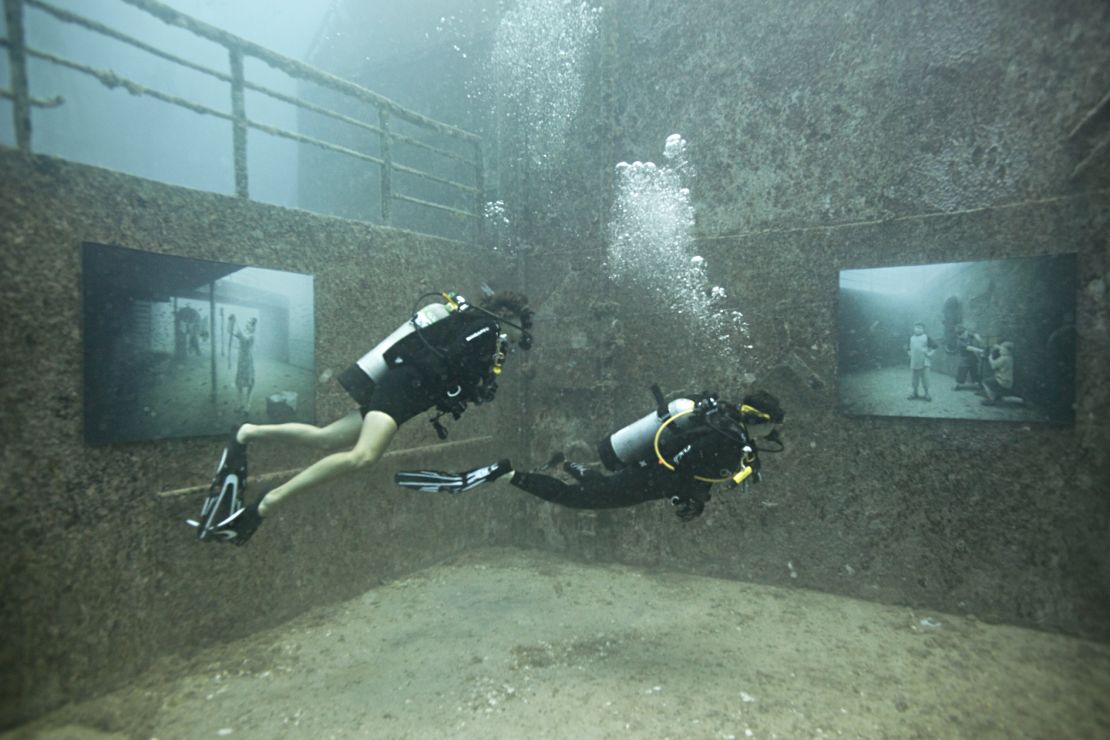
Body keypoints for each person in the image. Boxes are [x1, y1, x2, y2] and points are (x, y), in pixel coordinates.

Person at [191, 289, 533, 544]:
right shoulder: (487, 328)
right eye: (522, 327)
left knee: (324, 437)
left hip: (405, 391)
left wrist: (473, 386)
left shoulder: (480, 331)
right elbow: (453, 362)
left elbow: (452, 367)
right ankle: (264, 506)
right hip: (404, 389)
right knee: (363, 456)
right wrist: (477, 382)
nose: (521, 336)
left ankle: (246, 433)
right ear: (509, 317)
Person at [394, 388, 785, 521]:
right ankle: (506, 474)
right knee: (579, 500)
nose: (772, 435)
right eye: (772, 427)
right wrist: (689, 497)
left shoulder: (716, 414)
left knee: (600, 485)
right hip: (651, 476)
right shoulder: (729, 437)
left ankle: (570, 466)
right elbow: (683, 464)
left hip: (645, 468)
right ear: (762, 420)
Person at [231, 316, 257, 413]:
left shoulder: (251, 336)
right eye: (247, 322)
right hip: (241, 360)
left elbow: (243, 338)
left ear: (253, 326)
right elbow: (230, 331)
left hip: (248, 360)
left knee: (250, 383)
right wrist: (231, 321)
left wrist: (236, 321)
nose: (247, 324)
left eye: (249, 323)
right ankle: (239, 403)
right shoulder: (244, 333)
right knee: (239, 384)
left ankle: (248, 405)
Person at [981, 341, 1017, 406]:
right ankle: (998, 397)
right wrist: (998, 346)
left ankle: (992, 399)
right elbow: (1006, 348)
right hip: (1007, 381)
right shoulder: (1010, 357)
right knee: (992, 382)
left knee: (985, 382)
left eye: (1002, 350)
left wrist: (990, 357)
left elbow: (993, 366)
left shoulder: (1003, 358)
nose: (1000, 351)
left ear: (1006, 350)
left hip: (1002, 381)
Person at [907, 322, 936, 402]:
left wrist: (930, 353)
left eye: (920, 328)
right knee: (914, 379)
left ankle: (927, 393)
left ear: (923, 329)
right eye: (917, 327)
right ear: (914, 328)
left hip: (924, 361)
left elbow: (935, 346)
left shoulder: (926, 337)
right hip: (914, 361)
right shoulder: (911, 338)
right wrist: (910, 355)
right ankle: (914, 393)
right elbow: (908, 348)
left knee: (925, 378)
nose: (918, 329)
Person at [951, 324, 984, 390]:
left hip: (972, 358)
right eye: (964, 334)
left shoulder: (967, 334)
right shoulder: (959, 342)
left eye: (966, 332)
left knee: (974, 372)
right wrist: (980, 350)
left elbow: (975, 335)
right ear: (960, 335)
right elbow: (969, 348)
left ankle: (978, 385)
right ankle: (957, 385)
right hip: (965, 360)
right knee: (962, 373)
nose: (966, 334)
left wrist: (979, 339)